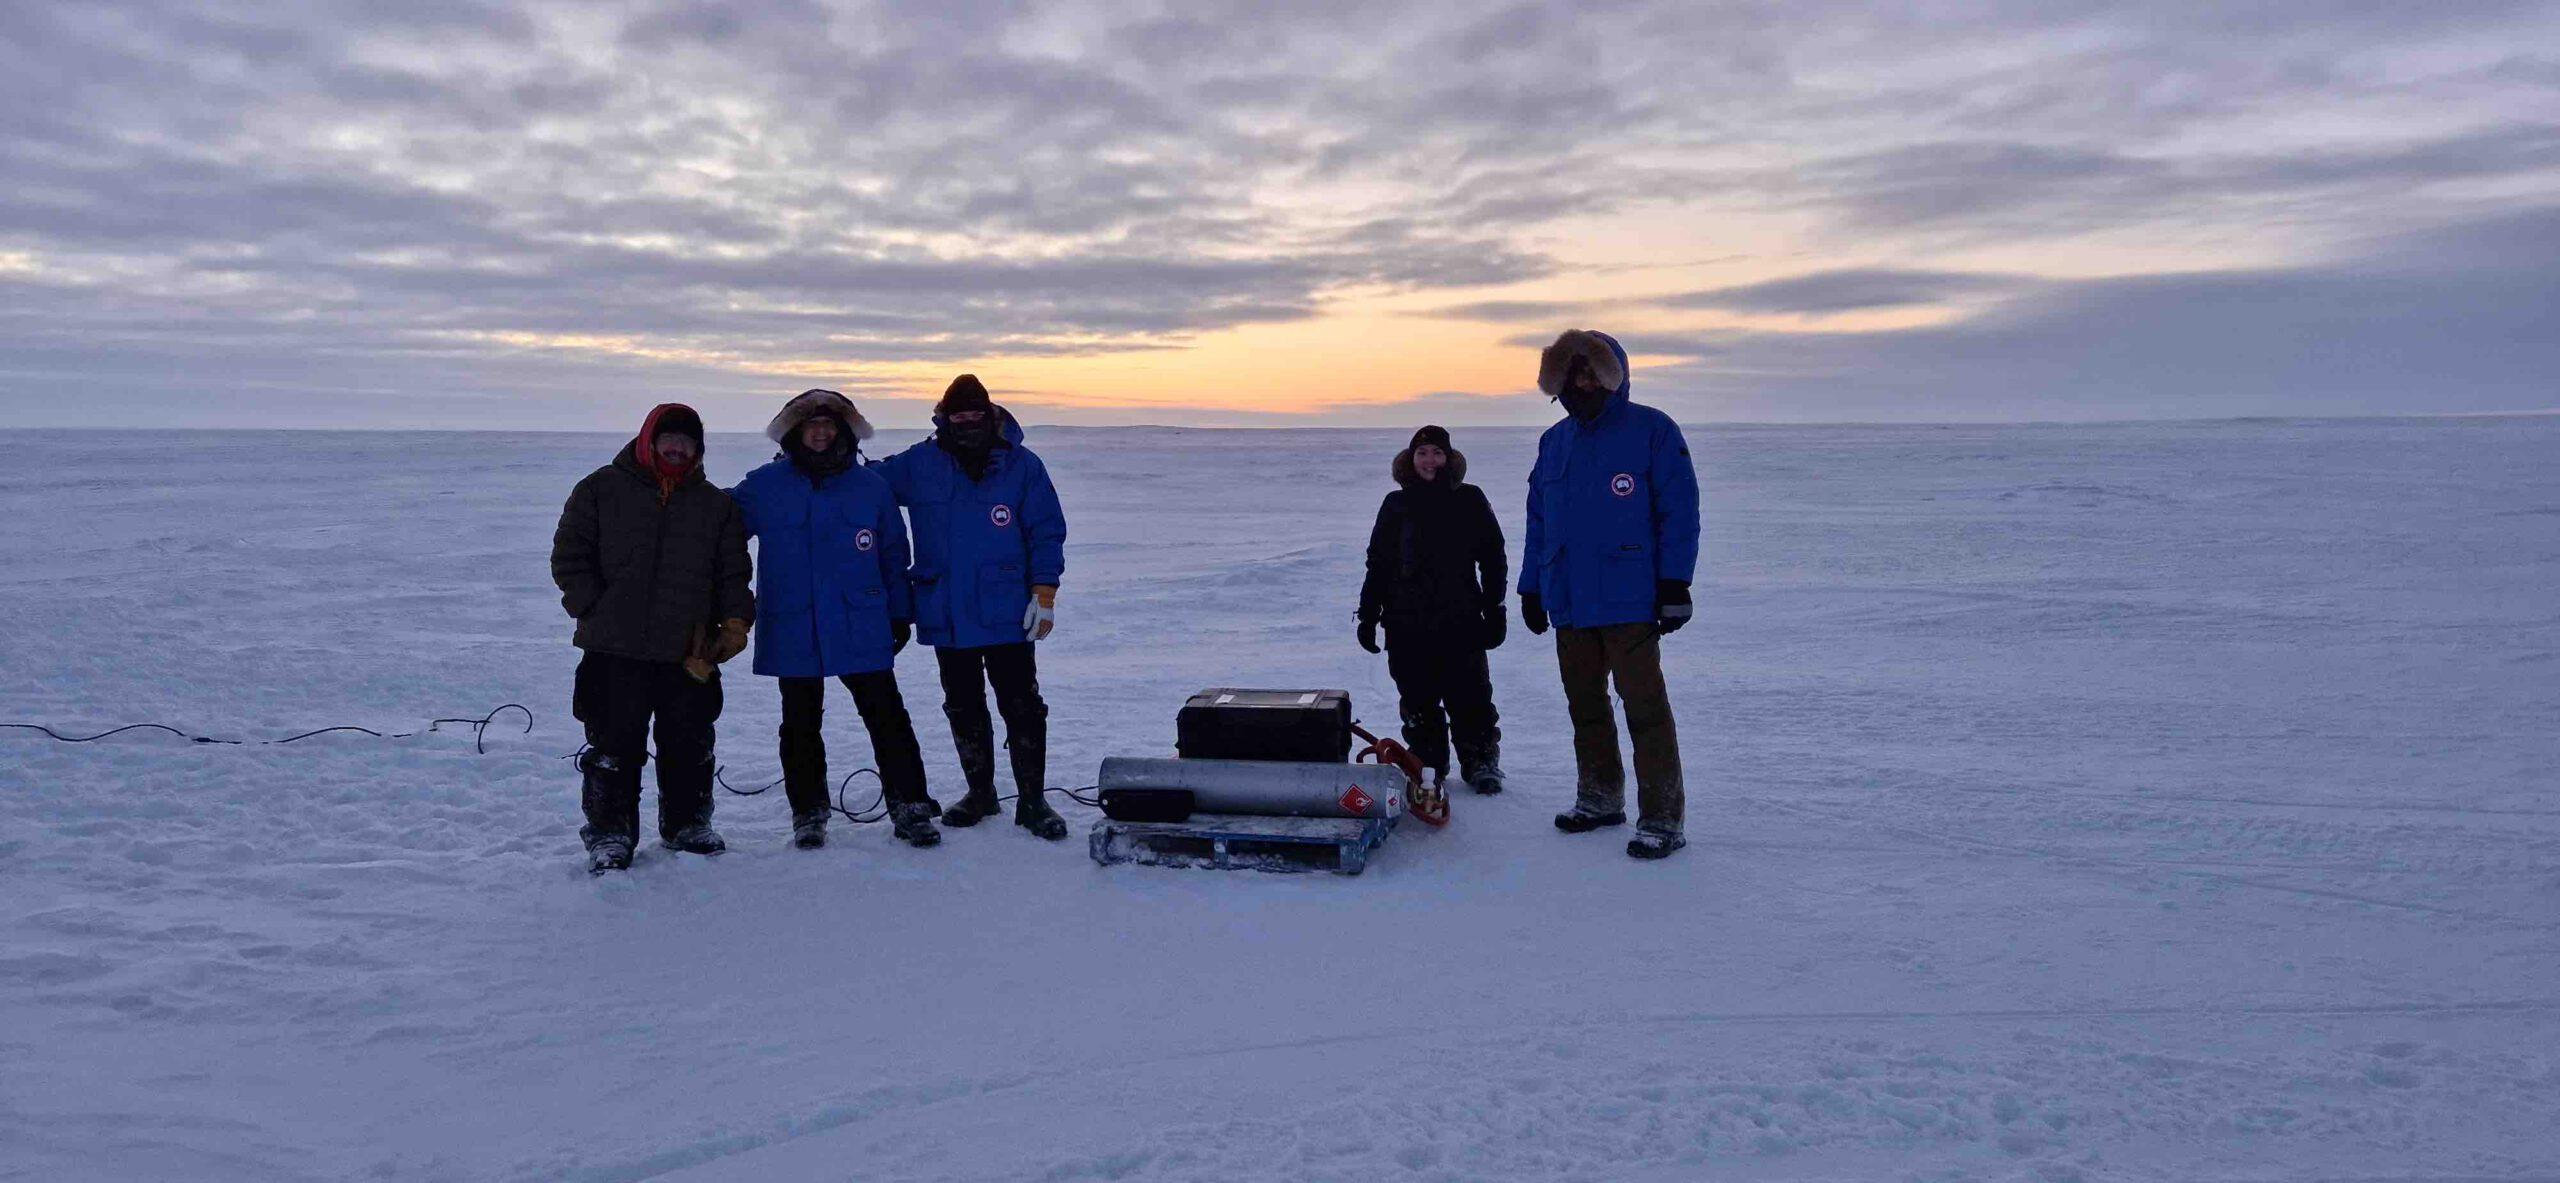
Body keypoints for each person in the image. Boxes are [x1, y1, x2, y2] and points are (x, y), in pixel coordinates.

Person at [729, 389, 941, 851]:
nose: (821, 433)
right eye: (811, 425)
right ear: (794, 433)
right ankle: (808, 812)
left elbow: (891, 553)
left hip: (860, 619)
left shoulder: (870, 486)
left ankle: (910, 806)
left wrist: (899, 612)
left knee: (886, 716)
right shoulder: (765, 486)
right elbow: (719, 528)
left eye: (830, 425)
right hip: (794, 622)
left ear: (845, 432)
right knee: (800, 722)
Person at [1518, 330, 1701, 860]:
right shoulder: (1554, 442)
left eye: (1589, 372)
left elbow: (1679, 511)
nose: (1580, 384)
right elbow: (1539, 521)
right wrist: (1532, 587)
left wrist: (1675, 584)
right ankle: (1599, 798)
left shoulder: (1653, 430)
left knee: (1645, 708)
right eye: (1570, 374)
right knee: (1585, 706)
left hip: (1630, 598)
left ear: (1611, 375)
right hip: (1569, 599)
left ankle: (1662, 818)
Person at [549, 404, 755, 874]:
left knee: (690, 743)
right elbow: (569, 554)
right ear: (649, 440)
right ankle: (610, 834)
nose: (678, 448)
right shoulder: (601, 489)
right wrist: (591, 607)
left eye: (688, 442)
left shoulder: (715, 505)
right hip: (614, 648)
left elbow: (733, 573)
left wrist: (736, 622)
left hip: (688, 650)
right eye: (670, 439)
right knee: (612, 746)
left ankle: (687, 824)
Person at [873, 374, 1071, 840]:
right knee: (962, 706)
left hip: (1007, 610)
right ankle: (980, 793)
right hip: (948, 611)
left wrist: (1045, 592)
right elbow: (868, 485)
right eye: (957, 415)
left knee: (1022, 706)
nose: (966, 422)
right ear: (944, 417)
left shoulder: (1023, 466)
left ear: (989, 414)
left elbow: (1045, 529)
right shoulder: (920, 463)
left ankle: (1032, 801)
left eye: (974, 414)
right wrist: (821, 461)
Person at [1357, 425, 1508, 796]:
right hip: (1406, 622)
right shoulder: (1396, 504)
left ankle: (1480, 761)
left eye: (1437, 453)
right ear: (1411, 460)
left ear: (1449, 458)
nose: (1430, 461)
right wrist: (1367, 615)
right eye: (1422, 453)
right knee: (1418, 699)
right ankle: (1428, 764)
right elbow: (1378, 563)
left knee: (1471, 696)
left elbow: (1492, 557)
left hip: (1461, 618)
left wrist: (1495, 607)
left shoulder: (1470, 499)